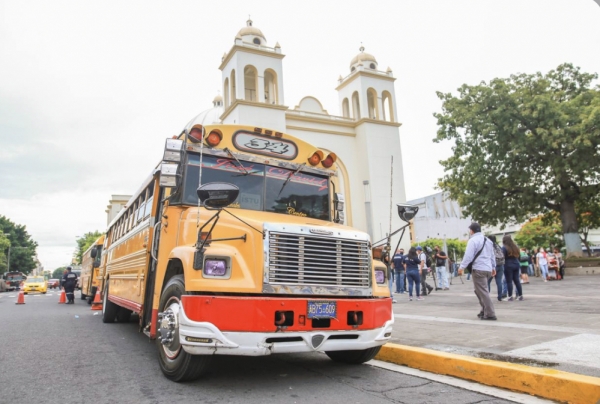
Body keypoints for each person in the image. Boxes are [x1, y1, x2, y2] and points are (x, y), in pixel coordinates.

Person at [459, 222, 497, 320]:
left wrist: (462, 267)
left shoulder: (472, 241)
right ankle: (484, 310)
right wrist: (493, 267)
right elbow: (492, 255)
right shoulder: (488, 240)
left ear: (472, 231)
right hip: (488, 269)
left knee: (483, 292)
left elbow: (468, 255)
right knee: (479, 290)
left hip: (479, 269)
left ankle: (490, 313)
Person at [503, 236, 524, 301]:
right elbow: (519, 256)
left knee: (509, 281)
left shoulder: (504, 247)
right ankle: (520, 296)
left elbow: (502, 256)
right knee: (517, 280)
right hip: (516, 263)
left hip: (508, 265)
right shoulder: (516, 247)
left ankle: (510, 296)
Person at [487, 235, 506, 302]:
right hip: (500, 265)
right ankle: (500, 297)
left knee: (487, 282)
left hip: (492, 266)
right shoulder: (498, 246)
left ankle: (487, 297)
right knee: (499, 282)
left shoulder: (488, 247)